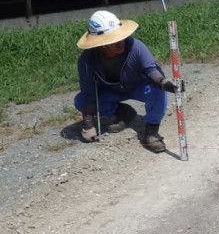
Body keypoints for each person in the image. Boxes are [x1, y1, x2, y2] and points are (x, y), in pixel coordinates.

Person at [75, 10, 178, 153]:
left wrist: (163, 82)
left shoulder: (136, 47)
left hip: (138, 86)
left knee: (157, 91)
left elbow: (151, 70)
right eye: (114, 40)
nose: (120, 43)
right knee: (80, 101)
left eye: (121, 37)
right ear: (101, 44)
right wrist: (88, 125)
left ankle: (152, 132)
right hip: (111, 91)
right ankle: (124, 112)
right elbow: (88, 93)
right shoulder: (86, 60)